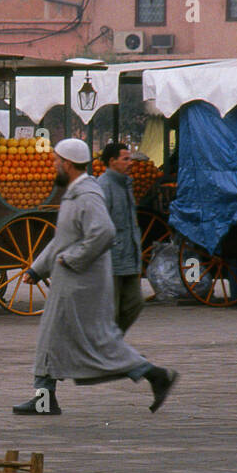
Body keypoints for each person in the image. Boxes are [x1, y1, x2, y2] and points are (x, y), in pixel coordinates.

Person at [12, 138, 177, 416]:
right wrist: (36, 269)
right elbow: (61, 240)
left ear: (67, 164)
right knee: (53, 339)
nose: (54, 166)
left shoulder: (87, 195)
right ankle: (45, 399)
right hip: (71, 282)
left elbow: (103, 232)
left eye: (56, 162)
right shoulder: (76, 193)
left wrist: (71, 259)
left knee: (98, 343)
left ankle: (155, 374)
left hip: (79, 286)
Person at [97, 142, 145, 334]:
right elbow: (100, 226)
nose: (130, 163)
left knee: (135, 302)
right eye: (125, 159)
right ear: (112, 161)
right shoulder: (103, 186)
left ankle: (112, 343)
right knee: (111, 309)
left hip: (130, 256)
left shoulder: (126, 184)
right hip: (112, 257)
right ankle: (108, 348)